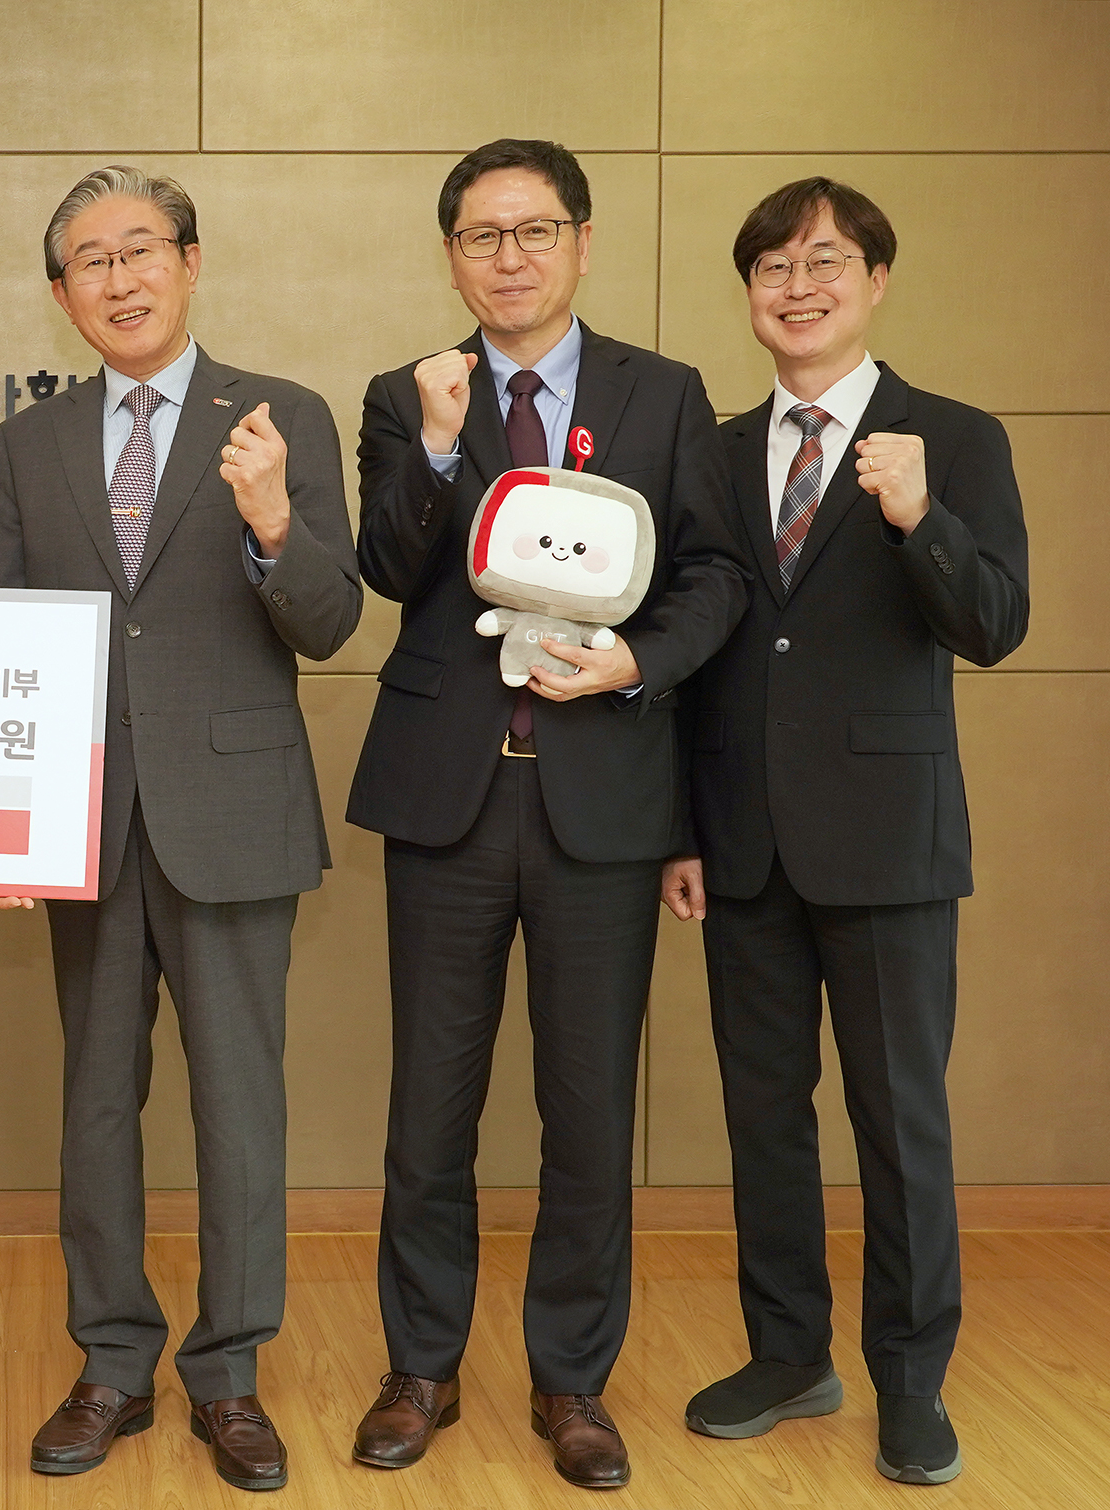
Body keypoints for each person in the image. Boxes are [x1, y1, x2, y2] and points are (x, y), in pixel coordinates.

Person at [344, 139, 746, 1490]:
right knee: (427, 1109)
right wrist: (435, 441)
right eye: (480, 235)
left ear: (580, 240)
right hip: (446, 800)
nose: (507, 257)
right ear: (449, 255)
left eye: (533, 230)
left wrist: (635, 662)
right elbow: (388, 563)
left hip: (603, 801)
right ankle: (421, 1364)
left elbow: (713, 576)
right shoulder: (408, 394)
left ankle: (571, 1377)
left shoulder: (663, 392)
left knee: (586, 1111)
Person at [0, 166, 361, 1494]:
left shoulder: (280, 417)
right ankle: (111, 1360)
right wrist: (5, 828)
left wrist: (271, 519)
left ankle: (230, 1371)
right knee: (95, 1101)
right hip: (83, 821)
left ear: (190, 262)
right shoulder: (26, 444)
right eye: (90, 260)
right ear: (61, 293)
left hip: (233, 812)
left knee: (240, 1106)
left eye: (141, 249)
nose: (119, 278)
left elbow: (329, 619)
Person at [662, 179, 1028, 1487]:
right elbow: (698, 650)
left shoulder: (954, 436)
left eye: (822, 261)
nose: (795, 286)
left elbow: (993, 625)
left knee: (897, 1121)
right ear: (748, 292)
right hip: (740, 839)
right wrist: (678, 827)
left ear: (874, 278)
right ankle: (787, 1352)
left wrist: (921, 519)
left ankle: (910, 1380)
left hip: (886, 839)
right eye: (770, 265)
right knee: (762, 1114)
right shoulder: (711, 450)